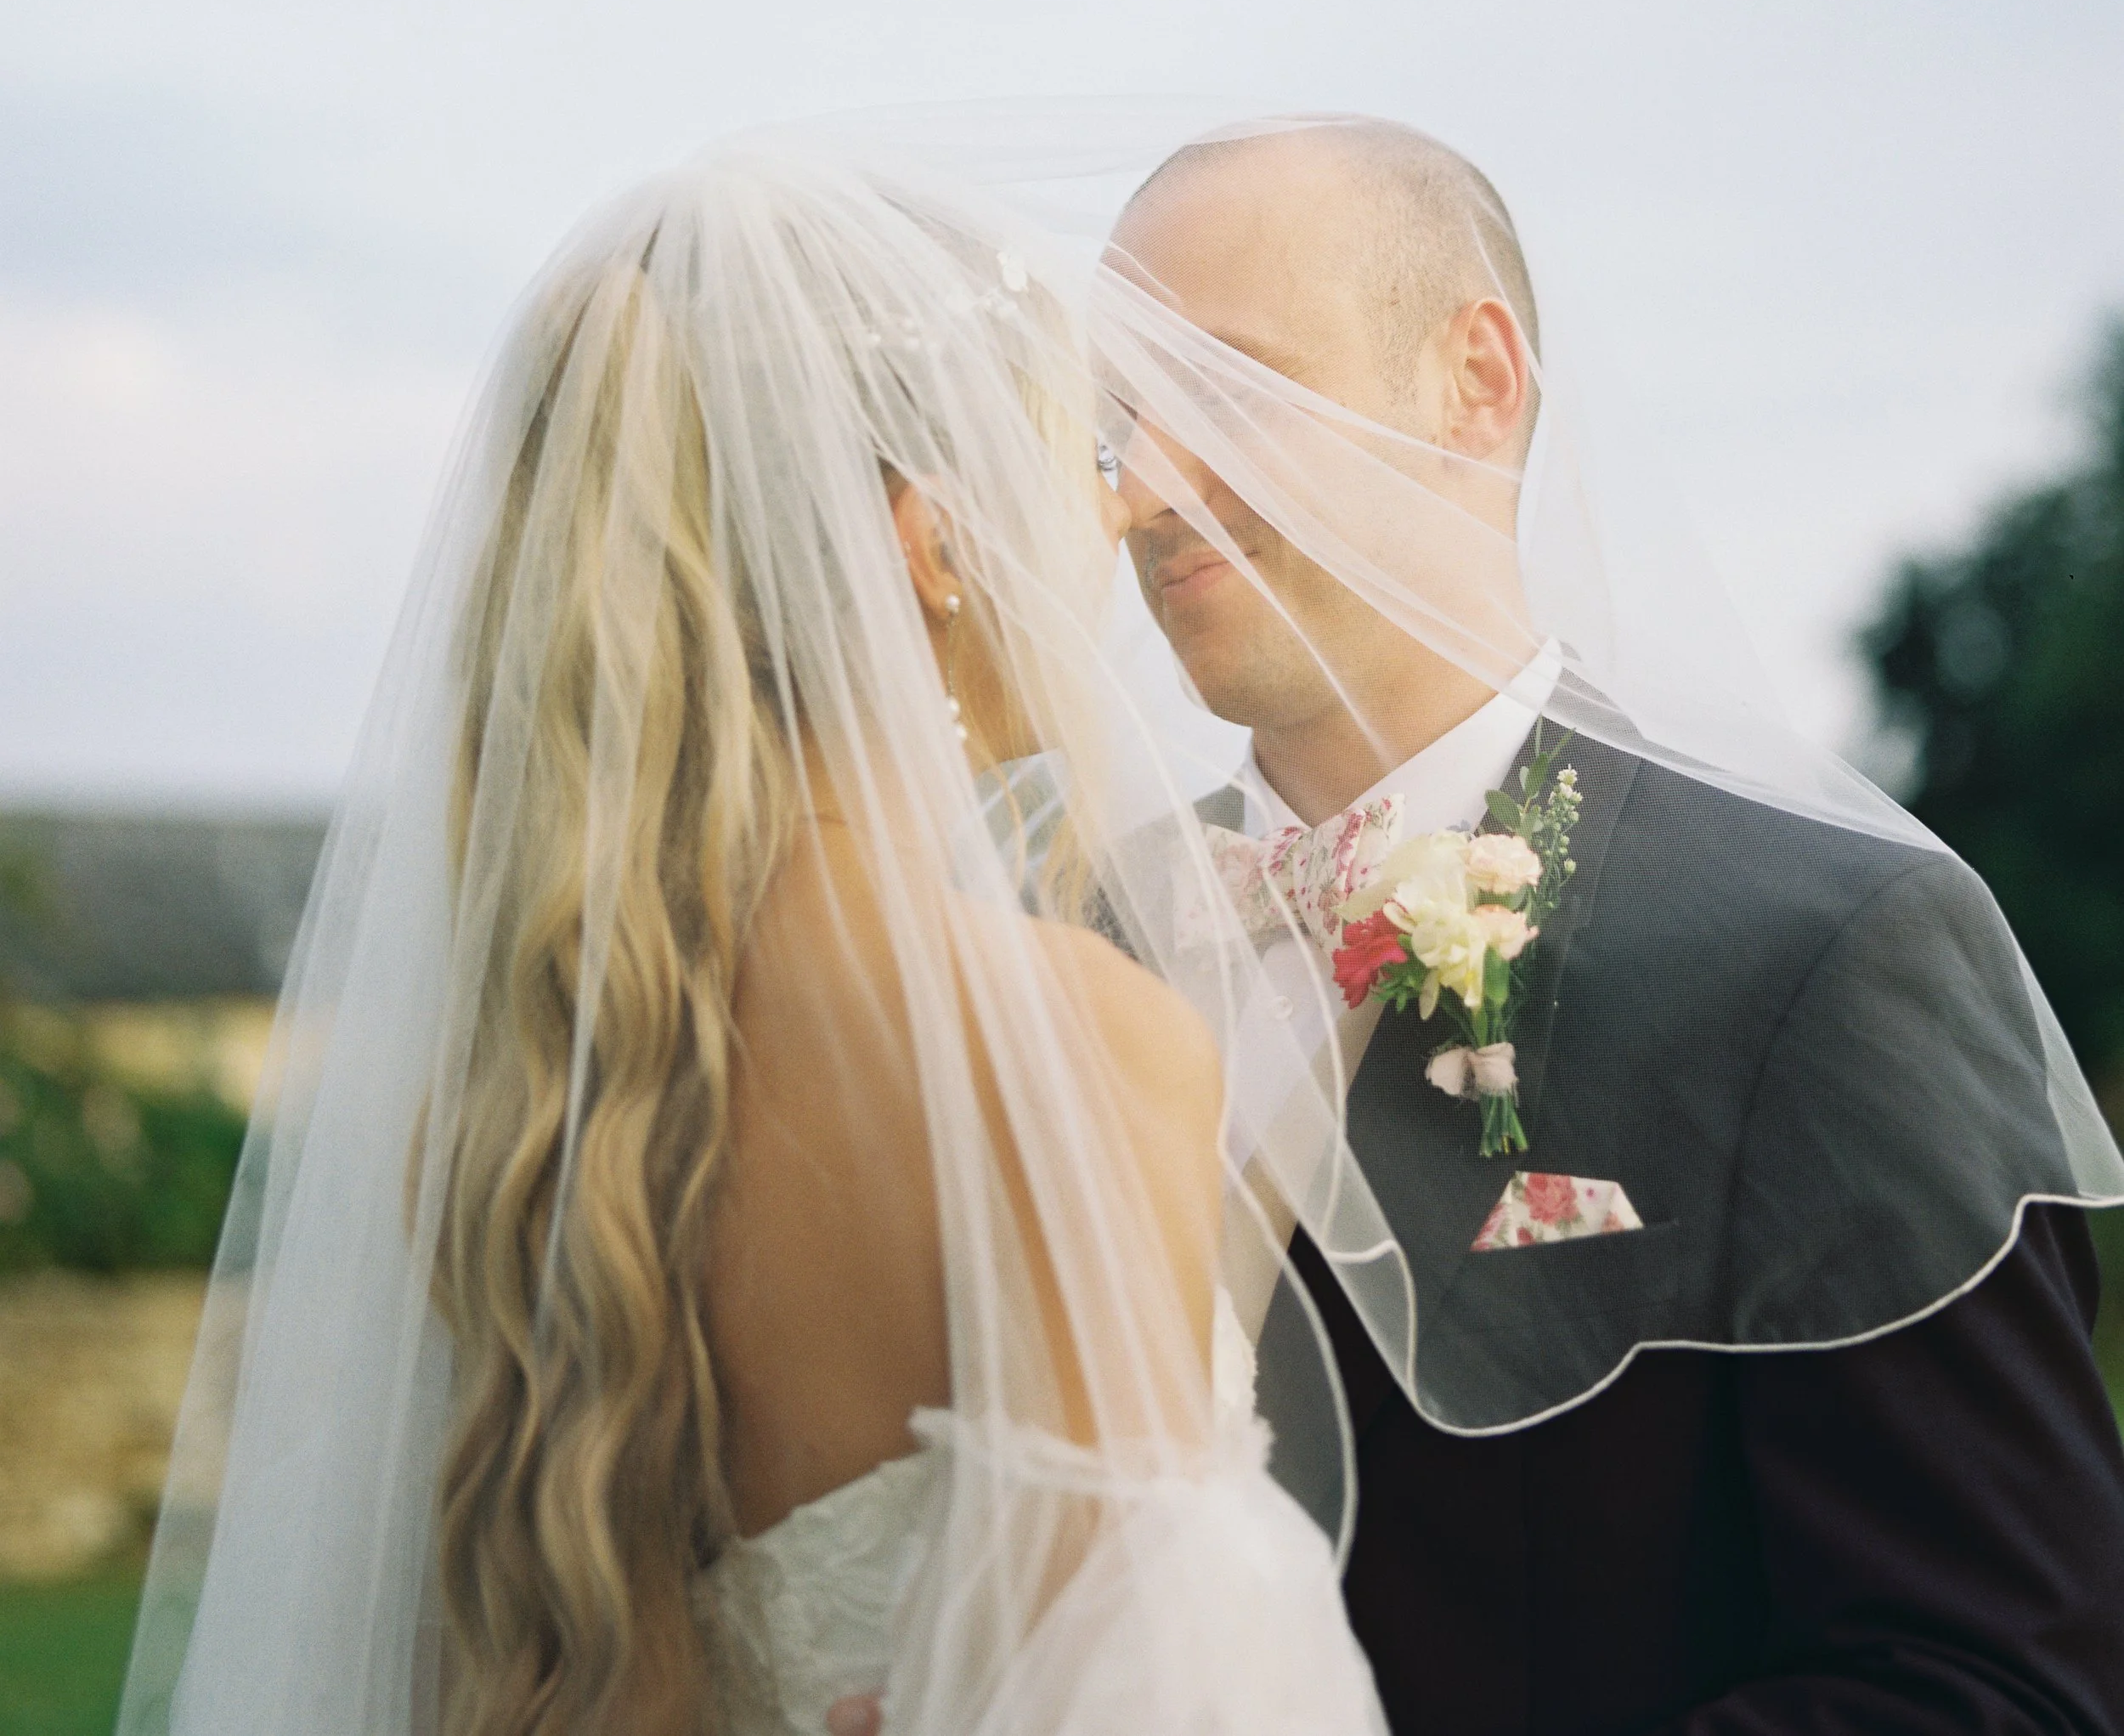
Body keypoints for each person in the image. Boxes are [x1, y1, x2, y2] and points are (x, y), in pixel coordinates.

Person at [117, 135, 1387, 1736]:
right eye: (1084, 463)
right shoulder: (1067, 1041)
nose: (1123, 515)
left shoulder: (542, 1079)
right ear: (934, 547)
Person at [1099, 114, 2124, 1736]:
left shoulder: (1822, 948)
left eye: (1228, 391)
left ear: (1477, 380)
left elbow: (1993, 1686)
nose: (1141, 494)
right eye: (1116, 424)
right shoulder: (1051, 954)